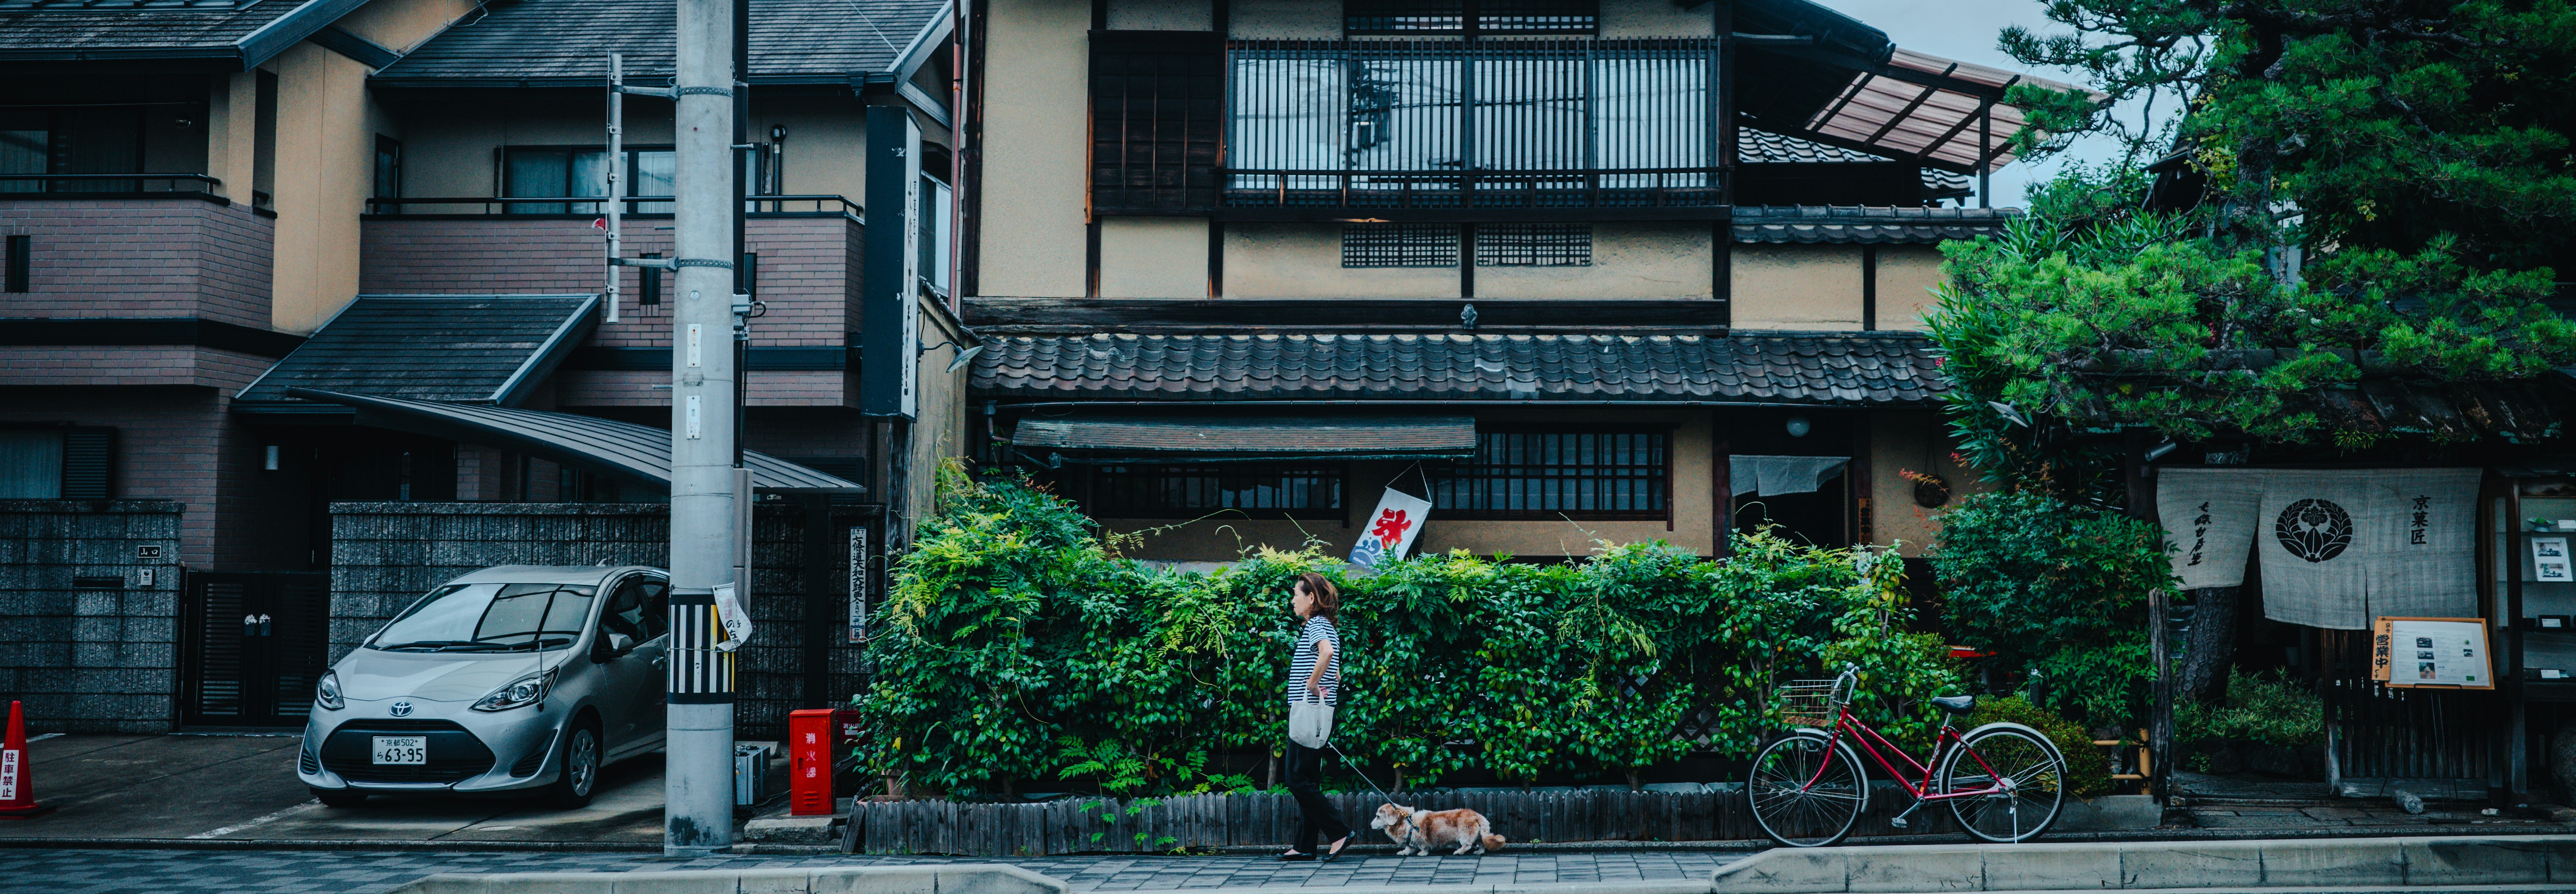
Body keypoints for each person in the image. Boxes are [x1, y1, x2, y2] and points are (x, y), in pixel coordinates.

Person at [1279, 571, 1352, 862]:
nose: (1293, 600)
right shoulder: (1323, 625)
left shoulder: (1317, 624)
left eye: (1297, 594)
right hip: (1316, 713)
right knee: (1308, 778)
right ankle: (1305, 845)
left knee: (1296, 779)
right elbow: (1334, 666)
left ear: (1311, 598)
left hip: (1308, 712)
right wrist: (1327, 678)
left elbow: (1327, 653)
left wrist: (1311, 685)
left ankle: (1339, 832)